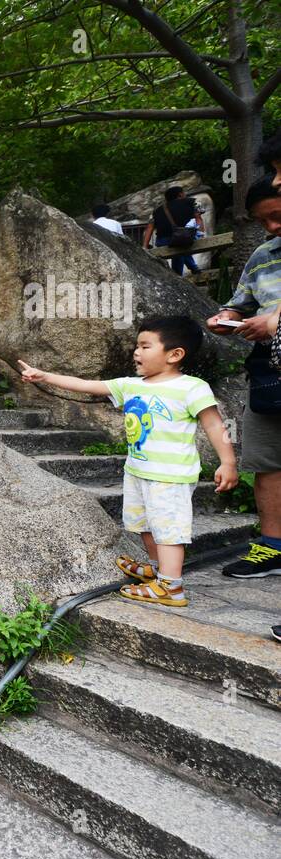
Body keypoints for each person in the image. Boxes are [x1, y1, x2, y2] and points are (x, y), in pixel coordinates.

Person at [18, 316, 238, 607]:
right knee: (146, 525)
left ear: (175, 354)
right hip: (138, 471)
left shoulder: (192, 388)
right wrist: (44, 376)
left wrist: (228, 462)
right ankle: (160, 571)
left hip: (170, 476)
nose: (136, 352)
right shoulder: (131, 385)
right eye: (137, 345)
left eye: (145, 346)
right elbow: (86, 385)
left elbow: (214, 425)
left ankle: (171, 587)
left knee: (169, 531)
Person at [206, 176, 281, 593]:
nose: (271, 227)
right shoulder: (263, 255)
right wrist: (225, 317)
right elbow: (241, 301)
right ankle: (272, 546)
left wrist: (275, 320)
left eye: (277, 216)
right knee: (268, 462)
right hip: (268, 369)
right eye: (263, 221)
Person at [142, 186, 205, 277]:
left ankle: (192, 268)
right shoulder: (192, 202)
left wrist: (144, 246)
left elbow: (150, 227)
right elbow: (198, 218)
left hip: (162, 241)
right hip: (184, 236)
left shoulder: (156, 210)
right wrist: (200, 234)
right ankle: (179, 275)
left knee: (178, 246)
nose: (185, 195)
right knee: (180, 244)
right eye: (184, 193)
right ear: (180, 194)